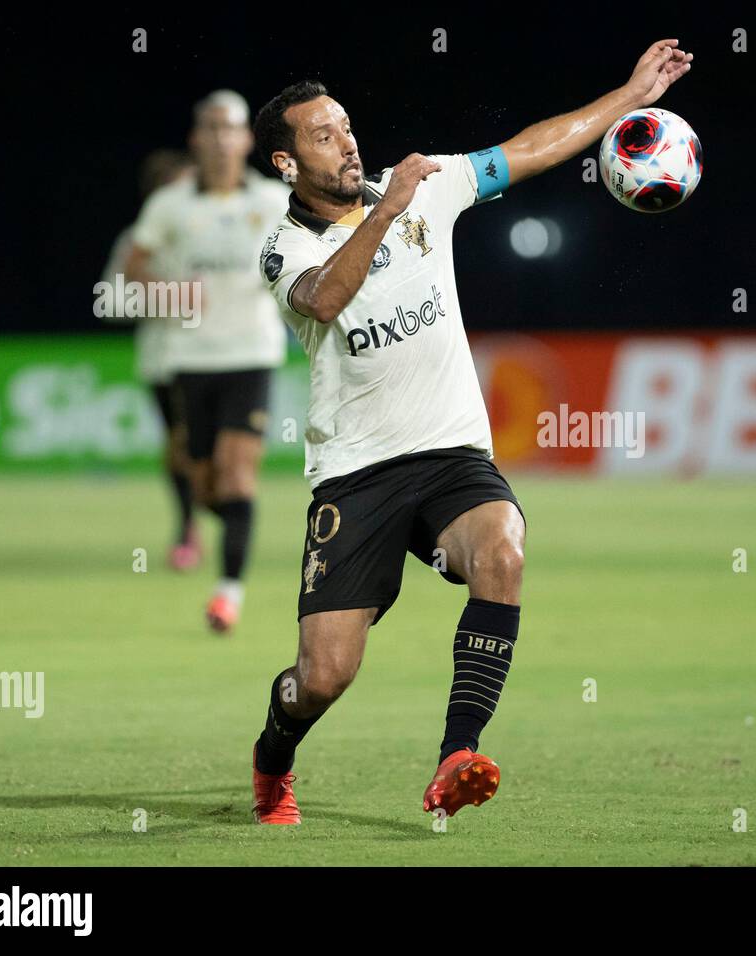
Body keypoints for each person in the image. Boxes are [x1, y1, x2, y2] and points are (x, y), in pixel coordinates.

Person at [247, 40, 693, 824]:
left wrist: (627, 95)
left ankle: (458, 753)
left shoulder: (424, 188)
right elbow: (322, 301)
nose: (347, 140)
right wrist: (385, 211)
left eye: (346, 125)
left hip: (451, 454)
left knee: (503, 549)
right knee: (322, 678)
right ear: (286, 163)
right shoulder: (286, 247)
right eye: (323, 135)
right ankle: (273, 757)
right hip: (356, 475)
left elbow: (528, 149)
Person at [124, 90, 291, 633]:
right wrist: (172, 295)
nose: (221, 139)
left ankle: (228, 595)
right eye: (211, 129)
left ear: (248, 140)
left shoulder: (271, 200)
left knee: (238, 474)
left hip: (251, 355)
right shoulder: (170, 205)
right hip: (189, 360)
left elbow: (318, 248)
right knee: (203, 484)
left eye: (232, 129)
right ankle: (234, 527)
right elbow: (133, 269)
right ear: (196, 139)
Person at [100, 149, 200, 569]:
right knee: (179, 446)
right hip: (164, 360)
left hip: (222, 355)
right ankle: (187, 528)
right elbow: (109, 300)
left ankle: (219, 523)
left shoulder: (211, 232)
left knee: (212, 450)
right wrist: (168, 297)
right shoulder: (136, 241)